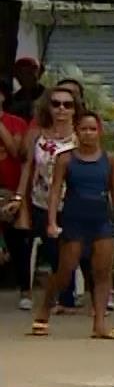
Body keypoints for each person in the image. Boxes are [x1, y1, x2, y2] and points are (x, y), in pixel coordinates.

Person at [28, 110, 114, 339]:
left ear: (99, 131)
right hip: (74, 220)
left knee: (101, 273)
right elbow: (54, 193)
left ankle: (99, 323)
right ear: (76, 131)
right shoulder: (65, 158)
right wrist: (52, 222)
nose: (89, 133)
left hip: (101, 219)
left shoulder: (110, 159)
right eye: (84, 129)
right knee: (65, 272)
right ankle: (44, 310)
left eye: (93, 129)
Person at [12, 80, 81, 313]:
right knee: (53, 251)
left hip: (73, 200)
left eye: (67, 105)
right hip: (42, 199)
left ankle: (72, 297)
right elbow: (27, 166)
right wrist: (19, 198)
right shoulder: (37, 135)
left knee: (73, 249)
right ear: (48, 107)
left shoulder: (81, 135)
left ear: (75, 108)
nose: (62, 109)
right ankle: (63, 297)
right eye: (56, 104)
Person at [0, 97, 29, 303]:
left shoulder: (16, 123)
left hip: (11, 188)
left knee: (17, 241)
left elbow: (16, 152)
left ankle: (25, 290)